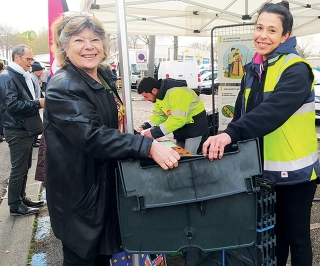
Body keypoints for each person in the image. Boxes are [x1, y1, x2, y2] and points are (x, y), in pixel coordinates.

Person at [45, 13, 180, 265]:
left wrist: (137, 137)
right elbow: (91, 136)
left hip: (103, 186)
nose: (89, 46)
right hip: (81, 195)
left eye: (95, 39)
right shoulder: (64, 86)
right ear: (64, 46)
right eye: (78, 40)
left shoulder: (103, 76)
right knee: (85, 258)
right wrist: (146, 147)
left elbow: (110, 124)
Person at [202, 1, 320, 265]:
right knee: (273, 239)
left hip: (296, 174)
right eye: (259, 28)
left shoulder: (296, 69)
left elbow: (273, 111)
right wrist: (227, 141)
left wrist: (231, 133)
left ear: (285, 36)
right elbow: (242, 115)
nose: (262, 36)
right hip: (262, 172)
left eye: (271, 30)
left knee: (297, 238)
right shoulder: (253, 69)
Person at [0, 44, 45, 216]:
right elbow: (13, 105)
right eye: (28, 59)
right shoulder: (7, 77)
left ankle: (21, 198)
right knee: (19, 168)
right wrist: (38, 103)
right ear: (17, 57)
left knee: (24, 166)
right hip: (17, 129)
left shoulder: (18, 75)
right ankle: (15, 205)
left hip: (23, 128)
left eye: (32, 59)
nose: (31, 63)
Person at [137, 77, 208, 155]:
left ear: (154, 90)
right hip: (181, 127)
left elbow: (178, 119)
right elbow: (158, 116)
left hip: (195, 126)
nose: (146, 100)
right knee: (179, 155)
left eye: (146, 96)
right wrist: (144, 127)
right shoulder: (159, 97)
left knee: (189, 156)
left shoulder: (177, 92)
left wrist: (153, 132)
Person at [30, 61, 45, 147]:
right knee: (35, 121)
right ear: (35, 71)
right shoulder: (32, 78)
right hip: (34, 102)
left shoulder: (35, 78)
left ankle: (35, 139)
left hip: (36, 102)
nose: (42, 72)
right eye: (40, 70)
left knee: (37, 120)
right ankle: (34, 140)